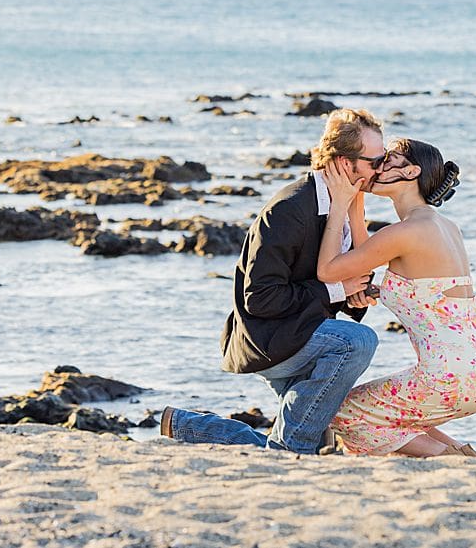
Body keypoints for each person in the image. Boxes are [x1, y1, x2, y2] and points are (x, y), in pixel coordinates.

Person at [159, 109, 385, 454]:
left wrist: (350, 297)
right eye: (375, 161)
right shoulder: (290, 209)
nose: (381, 169)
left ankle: (185, 426)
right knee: (356, 342)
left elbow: (340, 276)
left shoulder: (345, 205)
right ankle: (285, 451)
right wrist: (337, 290)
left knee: (308, 444)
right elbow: (260, 298)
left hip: (304, 329)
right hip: (268, 337)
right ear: (343, 162)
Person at [316, 138, 476, 457]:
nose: (378, 165)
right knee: (387, 416)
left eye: (388, 159)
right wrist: (356, 203)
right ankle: (461, 454)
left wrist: (339, 207)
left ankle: (450, 460)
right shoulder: (444, 226)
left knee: (341, 414)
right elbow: (429, 292)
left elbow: (329, 271)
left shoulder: (405, 232)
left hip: (447, 376)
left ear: (411, 170)